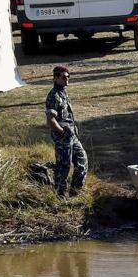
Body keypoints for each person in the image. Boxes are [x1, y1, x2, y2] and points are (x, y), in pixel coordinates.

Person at [45, 65, 87, 197]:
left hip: (72, 136)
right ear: (55, 78)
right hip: (63, 137)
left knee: (82, 161)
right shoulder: (53, 96)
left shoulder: (63, 92)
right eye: (63, 77)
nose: (67, 80)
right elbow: (50, 120)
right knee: (64, 167)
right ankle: (60, 196)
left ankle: (75, 192)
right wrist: (62, 133)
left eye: (68, 77)